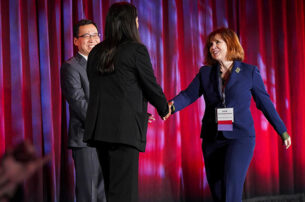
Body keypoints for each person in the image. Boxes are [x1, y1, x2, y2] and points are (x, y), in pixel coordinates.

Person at [169, 27, 291, 202]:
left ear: (230, 44)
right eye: (211, 44)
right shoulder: (206, 73)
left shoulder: (249, 72)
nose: (213, 46)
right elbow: (188, 95)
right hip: (212, 138)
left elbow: (265, 103)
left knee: (231, 189)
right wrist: (170, 107)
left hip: (240, 137)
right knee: (218, 192)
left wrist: (282, 130)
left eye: (218, 42)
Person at [83, 2, 171, 202]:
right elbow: (150, 84)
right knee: (124, 193)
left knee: (112, 189)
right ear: (130, 23)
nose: (139, 22)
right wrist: (163, 107)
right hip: (124, 131)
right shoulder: (136, 50)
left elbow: (105, 88)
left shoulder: (96, 52)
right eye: (136, 19)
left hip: (100, 130)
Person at [60, 19, 106, 202]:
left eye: (95, 35)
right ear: (76, 41)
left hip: (107, 139)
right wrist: (107, 122)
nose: (92, 39)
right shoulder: (71, 67)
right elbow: (79, 103)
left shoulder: (105, 64)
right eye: (86, 36)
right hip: (85, 140)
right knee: (89, 194)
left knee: (105, 194)